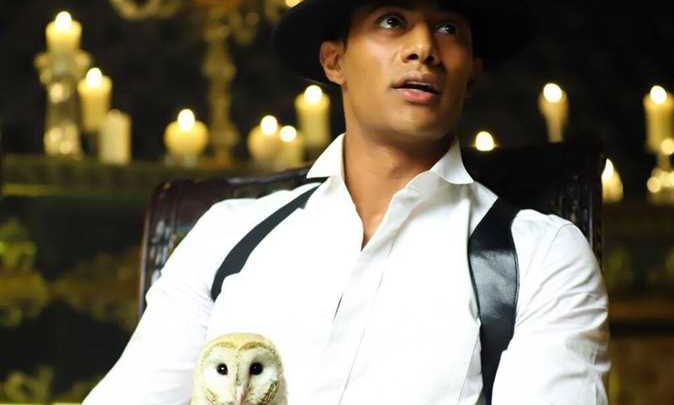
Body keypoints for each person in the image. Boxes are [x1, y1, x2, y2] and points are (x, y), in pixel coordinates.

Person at [84, 1, 610, 404]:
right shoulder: (226, 234)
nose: (423, 47)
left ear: (471, 72)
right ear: (334, 60)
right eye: (392, 21)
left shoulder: (541, 255)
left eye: (448, 28)